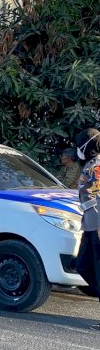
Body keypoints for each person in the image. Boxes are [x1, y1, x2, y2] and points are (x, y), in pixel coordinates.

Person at [74, 128, 100, 330]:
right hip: (90, 225)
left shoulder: (95, 166)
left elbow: (90, 196)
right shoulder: (92, 164)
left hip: (97, 225)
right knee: (82, 265)